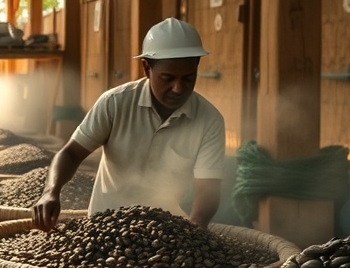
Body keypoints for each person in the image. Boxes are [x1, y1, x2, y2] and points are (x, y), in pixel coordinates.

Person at [33, 18, 225, 231]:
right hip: (104, 228)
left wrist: (195, 227)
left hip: (168, 233)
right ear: (147, 69)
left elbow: (208, 187)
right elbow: (71, 153)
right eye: (167, 78)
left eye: (188, 78)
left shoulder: (209, 119)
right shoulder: (115, 103)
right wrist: (51, 192)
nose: (178, 88)